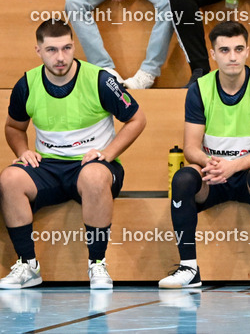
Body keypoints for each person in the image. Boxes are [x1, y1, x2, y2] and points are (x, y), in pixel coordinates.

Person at [0, 20, 146, 289]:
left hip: (92, 166)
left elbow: (137, 119)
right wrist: (22, 152)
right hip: (48, 169)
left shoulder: (100, 79)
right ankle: (28, 265)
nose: (60, 57)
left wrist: (108, 153)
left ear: (73, 46)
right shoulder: (27, 83)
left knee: (92, 175)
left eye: (67, 48)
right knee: (9, 178)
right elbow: (13, 127)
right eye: (52, 50)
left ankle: (97, 264)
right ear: (39, 51)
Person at [158, 21, 250, 289]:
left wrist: (234, 166)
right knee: (182, 179)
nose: (232, 56)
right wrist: (213, 165)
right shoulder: (200, 88)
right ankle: (188, 268)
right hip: (214, 175)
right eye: (225, 50)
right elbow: (191, 147)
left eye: (238, 49)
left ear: (247, 51)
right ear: (213, 54)